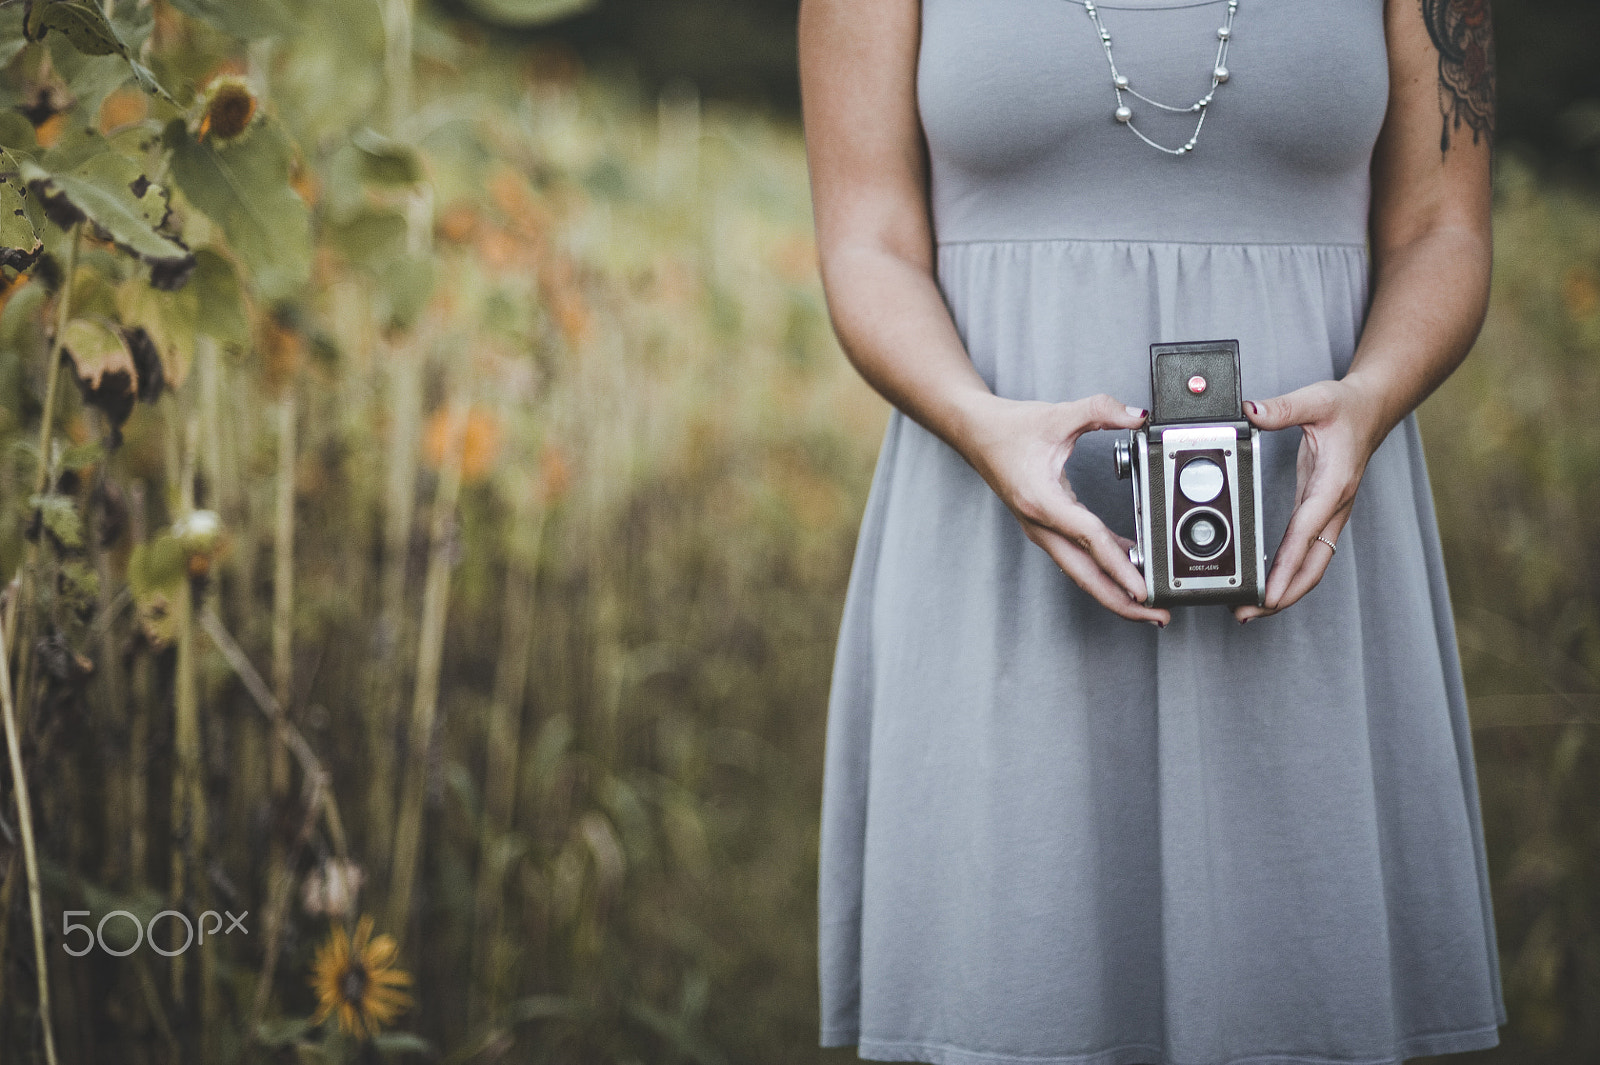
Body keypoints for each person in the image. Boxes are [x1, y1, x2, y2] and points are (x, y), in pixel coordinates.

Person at [800, 0, 1506, 1062]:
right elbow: (868, 245)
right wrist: (981, 425)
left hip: (1310, 559)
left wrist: (1368, 400)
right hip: (1003, 556)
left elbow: (1442, 231)